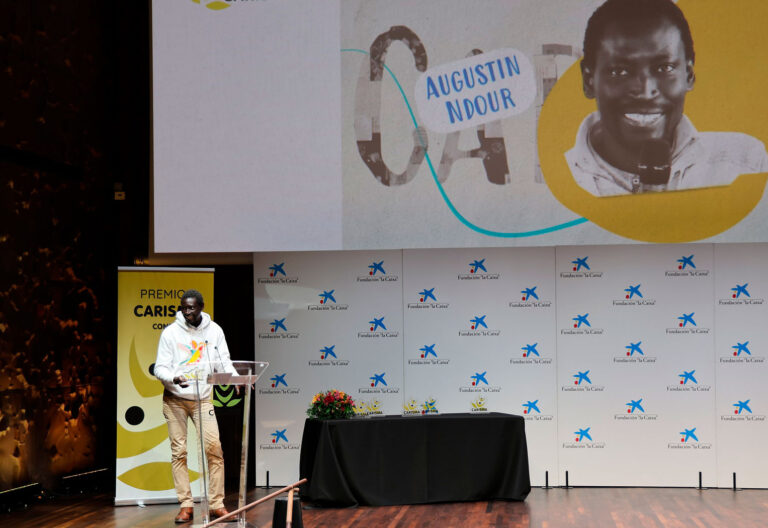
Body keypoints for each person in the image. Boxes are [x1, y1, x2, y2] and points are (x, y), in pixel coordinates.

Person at [565, 0, 768, 196]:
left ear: (689, 75)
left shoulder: (745, 164)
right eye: (619, 71)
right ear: (588, 81)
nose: (646, 92)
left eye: (664, 68)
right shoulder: (560, 179)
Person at [154, 289, 234, 524]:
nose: (187, 312)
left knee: (214, 449)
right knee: (179, 452)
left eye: (191, 307)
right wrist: (173, 378)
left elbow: (224, 361)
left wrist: (236, 379)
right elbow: (160, 367)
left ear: (201, 307)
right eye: (183, 308)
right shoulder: (170, 333)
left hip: (203, 399)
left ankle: (217, 504)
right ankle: (186, 505)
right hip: (175, 399)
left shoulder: (214, 330)